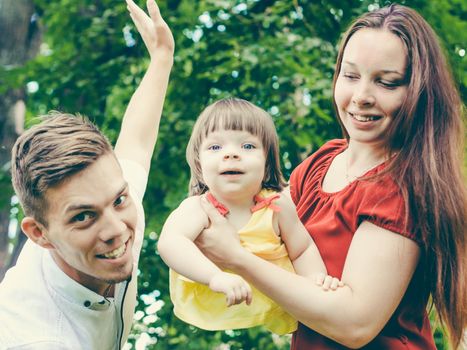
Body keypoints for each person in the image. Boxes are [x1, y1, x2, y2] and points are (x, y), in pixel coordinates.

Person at [195, 4, 466, 349]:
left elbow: (354, 325)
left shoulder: (403, 188)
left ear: (418, 92)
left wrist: (236, 258)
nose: (361, 97)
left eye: (387, 82)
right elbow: (263, 232)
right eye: (351, 76)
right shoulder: (320, 163)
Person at [0, 0, 174, 349]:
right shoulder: (35, 337)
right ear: (40, 234)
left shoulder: (113, 208)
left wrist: (161, 57)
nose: (116, 230)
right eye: (83, 217)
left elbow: (137, 143)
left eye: (120, 199)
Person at [157, 98, 342, 335]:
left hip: (274, 298)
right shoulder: (199, 208)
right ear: (199, 164)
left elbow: (302, 248)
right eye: (215, 147)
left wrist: (317, 280)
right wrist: (215, 277)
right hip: (213, 295)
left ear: (266, 164)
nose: (231, 154)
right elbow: (170, 243)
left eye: (247, 146)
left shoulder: (276, 206)